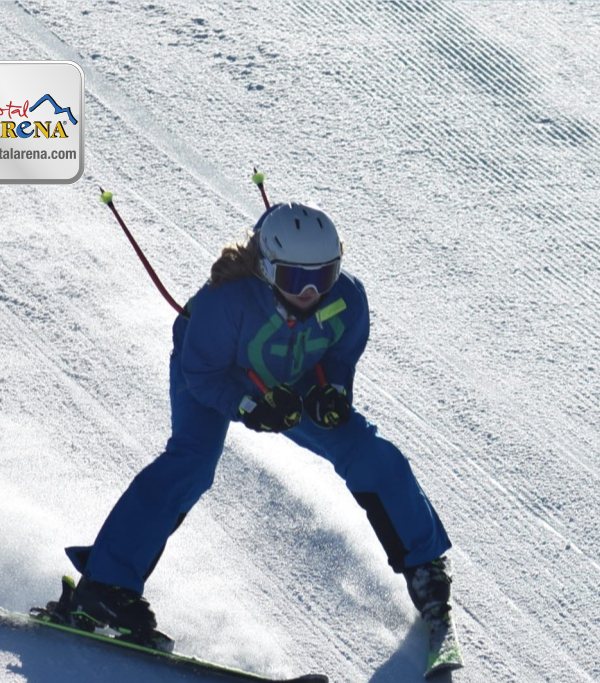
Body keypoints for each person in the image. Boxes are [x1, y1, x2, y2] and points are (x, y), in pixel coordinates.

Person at [45, 202, 451, 653]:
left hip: (292, 372)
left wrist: (333, 389)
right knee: (192, 462)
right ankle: (106, 587)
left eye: (325, 275)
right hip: (216, 373)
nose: (311, 291)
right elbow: (202, 374)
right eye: (295, 279)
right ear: (268, 269)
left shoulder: (348, 298)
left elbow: (341, 352)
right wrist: (248, 407)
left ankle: (425, 566)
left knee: (367, 452)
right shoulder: (227, 303)